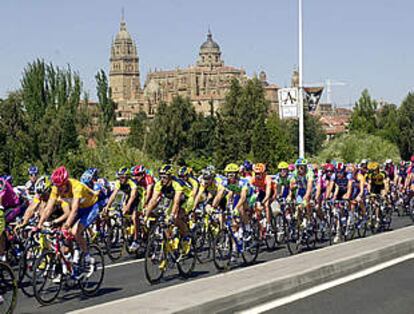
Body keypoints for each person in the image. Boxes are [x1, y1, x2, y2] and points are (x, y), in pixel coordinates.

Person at [46, 166, 101, 278]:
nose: (59, 189)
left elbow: (74, 210)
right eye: (57, 186)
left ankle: (87, 257)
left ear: (66, 182)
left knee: (76, 231)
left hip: (91, 207)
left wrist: (66, 225)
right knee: (64, 244)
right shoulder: (56, 189)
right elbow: (48, 208)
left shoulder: (77, 187)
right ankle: (74, 260)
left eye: (60, 186)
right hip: (80, 208)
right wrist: (38, 225)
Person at [145, 164, 192, 254]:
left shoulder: (177, 184)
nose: (162, 179)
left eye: (165, 177)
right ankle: (171, 240)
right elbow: (153, 200)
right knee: (165, 220)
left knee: (176, 217)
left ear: (170, 177)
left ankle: (186, 237)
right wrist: (146, 215)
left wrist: (172, 215)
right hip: (173, 199)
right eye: (161, 177)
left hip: (187, 199)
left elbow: (176, 202)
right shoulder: (159, 184)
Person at [104, 167, 142, 252]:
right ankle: (128, 234)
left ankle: (137, 239)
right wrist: (107, 206)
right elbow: (113, 195)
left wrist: (127, 206)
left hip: (138, 198)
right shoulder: (118, 183)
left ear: (128, 177)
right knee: (124, 215)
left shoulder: (132, 183)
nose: (121, 179)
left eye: (123, 177)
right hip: (128, 197)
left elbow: (133, 197)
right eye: (119, 177)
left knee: (134, 217)